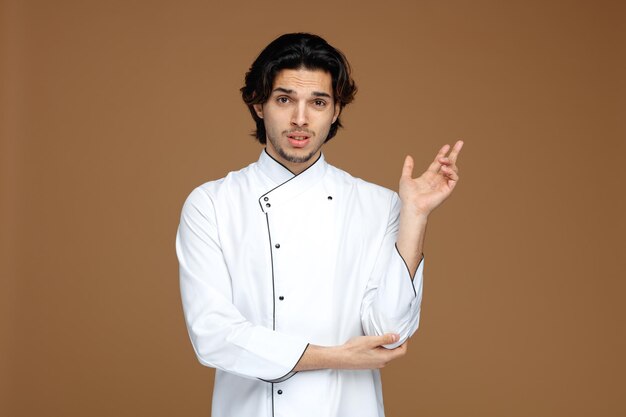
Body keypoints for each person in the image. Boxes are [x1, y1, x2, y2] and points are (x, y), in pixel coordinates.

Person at [176, 32, 463, 417]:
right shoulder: (212, 203)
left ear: (336, 110)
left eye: (318, 102)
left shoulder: (377, 205)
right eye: (284, 100)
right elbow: (213, 337)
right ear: (258, 104)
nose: (300, 119)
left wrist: (415, 216)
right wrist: (337, 357)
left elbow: (390, 330)